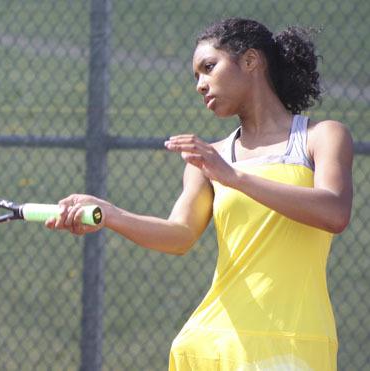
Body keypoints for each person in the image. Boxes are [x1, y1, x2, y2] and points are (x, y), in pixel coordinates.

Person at [45, 18, 353, 370]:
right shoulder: (209, 161)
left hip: (294, 342)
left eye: (209, 68)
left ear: (251, 61)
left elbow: (334, 213)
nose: (200, 85)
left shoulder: (323, 136)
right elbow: (179, 236)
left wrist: (234, 177)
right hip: (213, 343)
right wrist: (110, 213)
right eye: (196, 77)